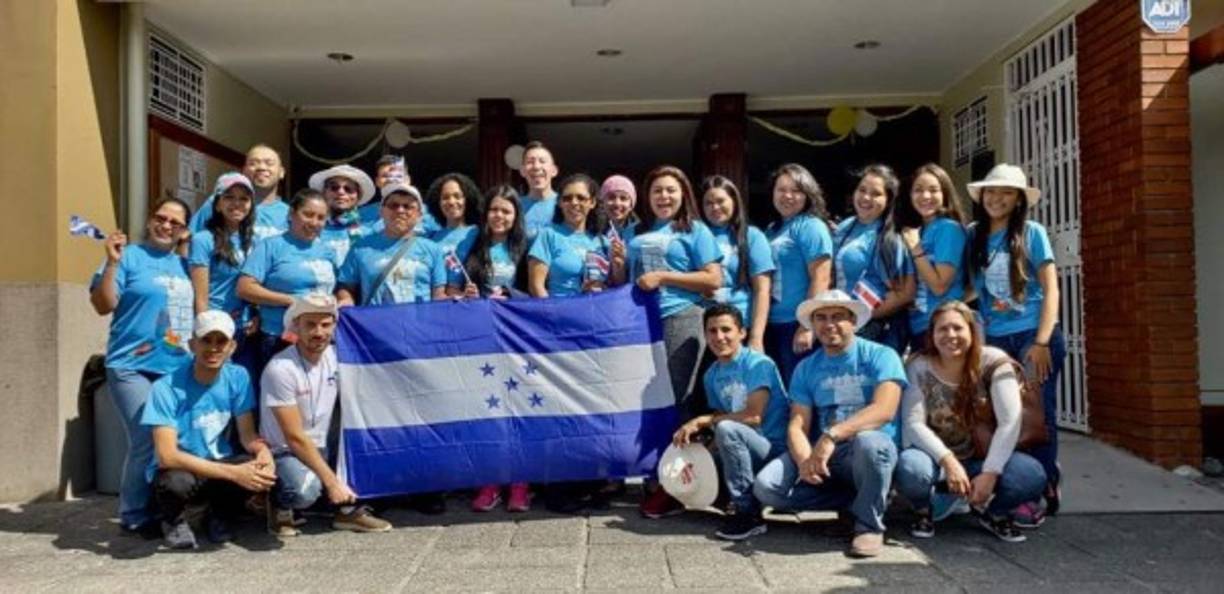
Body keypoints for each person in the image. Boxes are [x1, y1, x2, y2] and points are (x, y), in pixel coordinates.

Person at [753, 289, 907, 558]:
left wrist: (831, 436)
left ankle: (868, 525)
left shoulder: (882, 355)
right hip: (826, 455)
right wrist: (804, 461)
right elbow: (797, 425)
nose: (829, 324)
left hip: (867, 450)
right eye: (821, 318)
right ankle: (856, 502)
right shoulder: (806, 368)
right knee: (767, 488)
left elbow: (884, 410)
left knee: (870, 443)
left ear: (853, 321)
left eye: (838, 317)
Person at [894, 300, 1047, 543]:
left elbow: (1009, 422)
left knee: (1030, 474)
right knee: (910, 468)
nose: (950, 335)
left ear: (972, 332)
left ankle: (994, 513)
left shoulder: (994, 361)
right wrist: (948, 461)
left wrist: (990, 473)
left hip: (982, 456)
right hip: (936, 459)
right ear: (931, 335)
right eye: (942, 329)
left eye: (958, 328)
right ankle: (924, 510)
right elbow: (914, 423)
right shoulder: (918, 366)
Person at [965, 163, 1065, 524]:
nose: (997, 198)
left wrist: (1041, 341)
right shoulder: (973, 234)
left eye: (1006, 193)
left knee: (1037, 415)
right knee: (1002, 414)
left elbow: (1051, 288)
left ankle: (1042, 486)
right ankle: (1013, 482)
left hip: (1032, 335)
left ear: (1019, 199)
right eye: (991, 192)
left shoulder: (1031, 232)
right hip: (995, 336)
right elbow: (973, 289)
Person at [90, 197, 195, 536]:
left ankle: (166, 509)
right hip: (131, 365)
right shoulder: (129, 256)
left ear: (184, 231)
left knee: (175, 440)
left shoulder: (187, 265)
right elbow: (103, 305)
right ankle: (134, 513)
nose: (166, 226)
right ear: (150, 220)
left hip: (176, 366)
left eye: (175, 223)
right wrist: (111, 264)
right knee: (146, 437)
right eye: (161, 218)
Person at [628, 165, 723, 519]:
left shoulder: (695, 230)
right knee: (649, 401)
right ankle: (656, 477)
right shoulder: (635, 231)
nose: (664, 196)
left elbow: (713, 280)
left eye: (671, 190)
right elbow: (627, 279)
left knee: (676, 400)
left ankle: (676, 485)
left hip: (681, 318)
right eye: (657, 191)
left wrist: (663, 276)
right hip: (641, 324)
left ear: (684, 194)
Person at [141, 310, 275, 549]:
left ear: (232, 347)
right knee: (175, 482)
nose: (213, 348)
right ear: (192, 344)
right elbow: (166, 455)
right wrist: (234, 473)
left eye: (221, 341)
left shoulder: (238, 377)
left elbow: (247, 436)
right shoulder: (165, 387)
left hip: (217, 462)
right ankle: (174, 520)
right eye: (206, 340)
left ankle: (218, 515)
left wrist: (263, 453)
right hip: (181, 468)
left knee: (257, 468)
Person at [262, 295, 393, 535]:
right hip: (286, 449)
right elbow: (294, 437)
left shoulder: (338, 356)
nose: (319, 332)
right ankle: (278, 504)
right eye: (310, 325)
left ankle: (346, 512)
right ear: (296, 327)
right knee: (303, 492)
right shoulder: (280, 369)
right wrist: (332, 483)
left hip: (323, 442)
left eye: (325, 325)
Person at [671, 304, 789, 541]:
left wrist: (703, 420)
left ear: (742, 333)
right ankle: (731, 499)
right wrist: (704, 451)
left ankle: (748, 514)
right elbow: (722, 416)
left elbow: (753, 416)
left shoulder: (758, 364)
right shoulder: (711, 375)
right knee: (697, 460)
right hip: (742, 444)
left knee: (726, 428)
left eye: (726, 330)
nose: (719, 337)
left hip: (773, 446)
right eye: (712, 331)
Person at [237, 189, 337, 373]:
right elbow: (245, 287)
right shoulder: (271, 246)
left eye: (321, 217)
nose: (314, 222)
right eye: (308, 214)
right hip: (279, 337)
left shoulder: (327, 251)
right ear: (291, 214)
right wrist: (292, 301)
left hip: (319, 338)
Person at [833, 165, 915, 353]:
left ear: (888, 200)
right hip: (841, 325)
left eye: (876, 193)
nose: (866, 197)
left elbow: (905, 292)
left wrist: (858, 318)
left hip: (870, 329)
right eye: (862, 190)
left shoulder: (890, 238)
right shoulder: (845, 227)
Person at [764, 163, 833, 386]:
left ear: (808, 195)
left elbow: (821, 277)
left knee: (799, 392)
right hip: (771, 324)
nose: (788, 196)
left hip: (796, 325)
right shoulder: (772, 229)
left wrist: (807, 325)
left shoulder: (811, 226)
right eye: (781, 190)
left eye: (796, 190)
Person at [189, 172, 258, 376]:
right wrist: (206, 333)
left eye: (244, 199)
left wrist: (257, 314)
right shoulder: (203, 240)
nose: (237, 203)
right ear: (218, 204)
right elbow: (201, 297)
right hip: (216, 331)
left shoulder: (254, 241)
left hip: (245, 330)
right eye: (229, 197)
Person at [895, 163, 968, 350]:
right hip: (918, 326)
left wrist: (916, 248)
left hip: (944, 326)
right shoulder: (919, 230)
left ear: (945, 194)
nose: (925, 196)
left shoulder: (948, 229)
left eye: (933, 190)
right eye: (918, 190)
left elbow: (939, 286)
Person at [336, 183, 446, 306]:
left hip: (419, 318)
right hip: (375, 318)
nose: (400, 210)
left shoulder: (433, 249)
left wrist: (459, 301)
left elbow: (438, 295)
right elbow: (345, 286)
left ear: (419, 215)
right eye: (393, 205)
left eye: (408, 206)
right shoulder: (360, 247)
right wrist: (346, 299)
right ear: (381, 211)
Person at [700, 175, 774, 353]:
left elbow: (762, 290)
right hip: (704, 329)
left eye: (720, 201)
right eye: (708, 203)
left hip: (740, 327)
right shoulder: (694, 235)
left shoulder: (752, 236)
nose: (715, 207)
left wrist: (756, 337)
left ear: (734, 201)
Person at [526, 173, 620, 298]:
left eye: (581, 198)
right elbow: (536, 286)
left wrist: (618, 266)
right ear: (560, 202)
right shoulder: (548, 235)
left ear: (592, 202)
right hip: (559, 308)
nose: (574, 202)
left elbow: (617, 286)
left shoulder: (603, 242)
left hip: (595, 309)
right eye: (567, 198)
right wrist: (552, 309)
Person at [190, 144, 289, 241]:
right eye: (253, 163)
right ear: (244, 171)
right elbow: (190, 239)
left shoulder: (289, 214)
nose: (261, 168)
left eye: (269, 163)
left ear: (282, 172)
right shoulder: (218, 202)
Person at [460, 185, 530, 298]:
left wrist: (510, 294)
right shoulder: (472, 242)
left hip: (512, 308)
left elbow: (532, 292)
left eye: (506, 212)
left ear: (516, 216)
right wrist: (470, 294)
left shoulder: (526, 247)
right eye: (493, 210)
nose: (498, 215)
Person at [310, 164, 378, 267]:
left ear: (358, 196)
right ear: (324, 192)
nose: (341, 192)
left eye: (348, 189)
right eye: (334, 187)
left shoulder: (369, 235)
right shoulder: (310, 230)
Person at [426, 173, 482, 293]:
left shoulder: (478, 233)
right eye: (445, 197)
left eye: (457, 196)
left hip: (471, 300)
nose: (451, 202)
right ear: (438, 202)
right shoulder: (431, 239)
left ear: (467, 199)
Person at [517, 141, 559, 239]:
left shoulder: (565, 204)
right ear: (522, 171)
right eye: (530, 162)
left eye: (542, 161)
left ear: (554, 170)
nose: (536, 167)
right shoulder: (514, 207)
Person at [599, 174, 639, 238]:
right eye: (611, 197)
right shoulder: (593, 234)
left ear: (631, 205)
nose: (617, 203)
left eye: (623, 198)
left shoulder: (642, 233)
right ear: (603, 202)